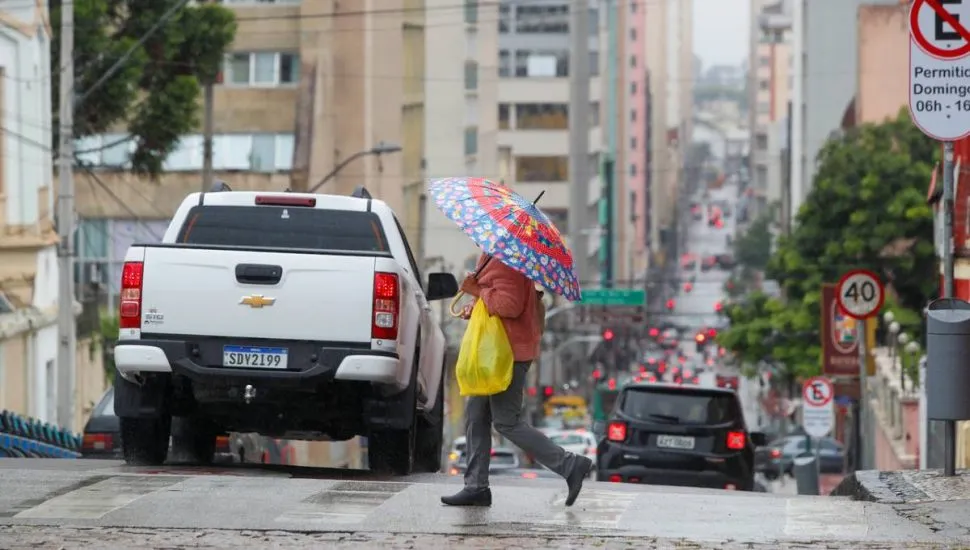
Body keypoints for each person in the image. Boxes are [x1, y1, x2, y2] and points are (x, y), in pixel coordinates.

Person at [441, 254, 594, 507]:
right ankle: (476, 487)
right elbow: (496, 299)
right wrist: (477, 302)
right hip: (493, 351)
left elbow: (510, 305)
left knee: (506, 422)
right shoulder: (492, 256)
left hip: (507, 354)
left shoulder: (508, 260)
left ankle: (570, 464)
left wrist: (476, 290)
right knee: (476, 415)